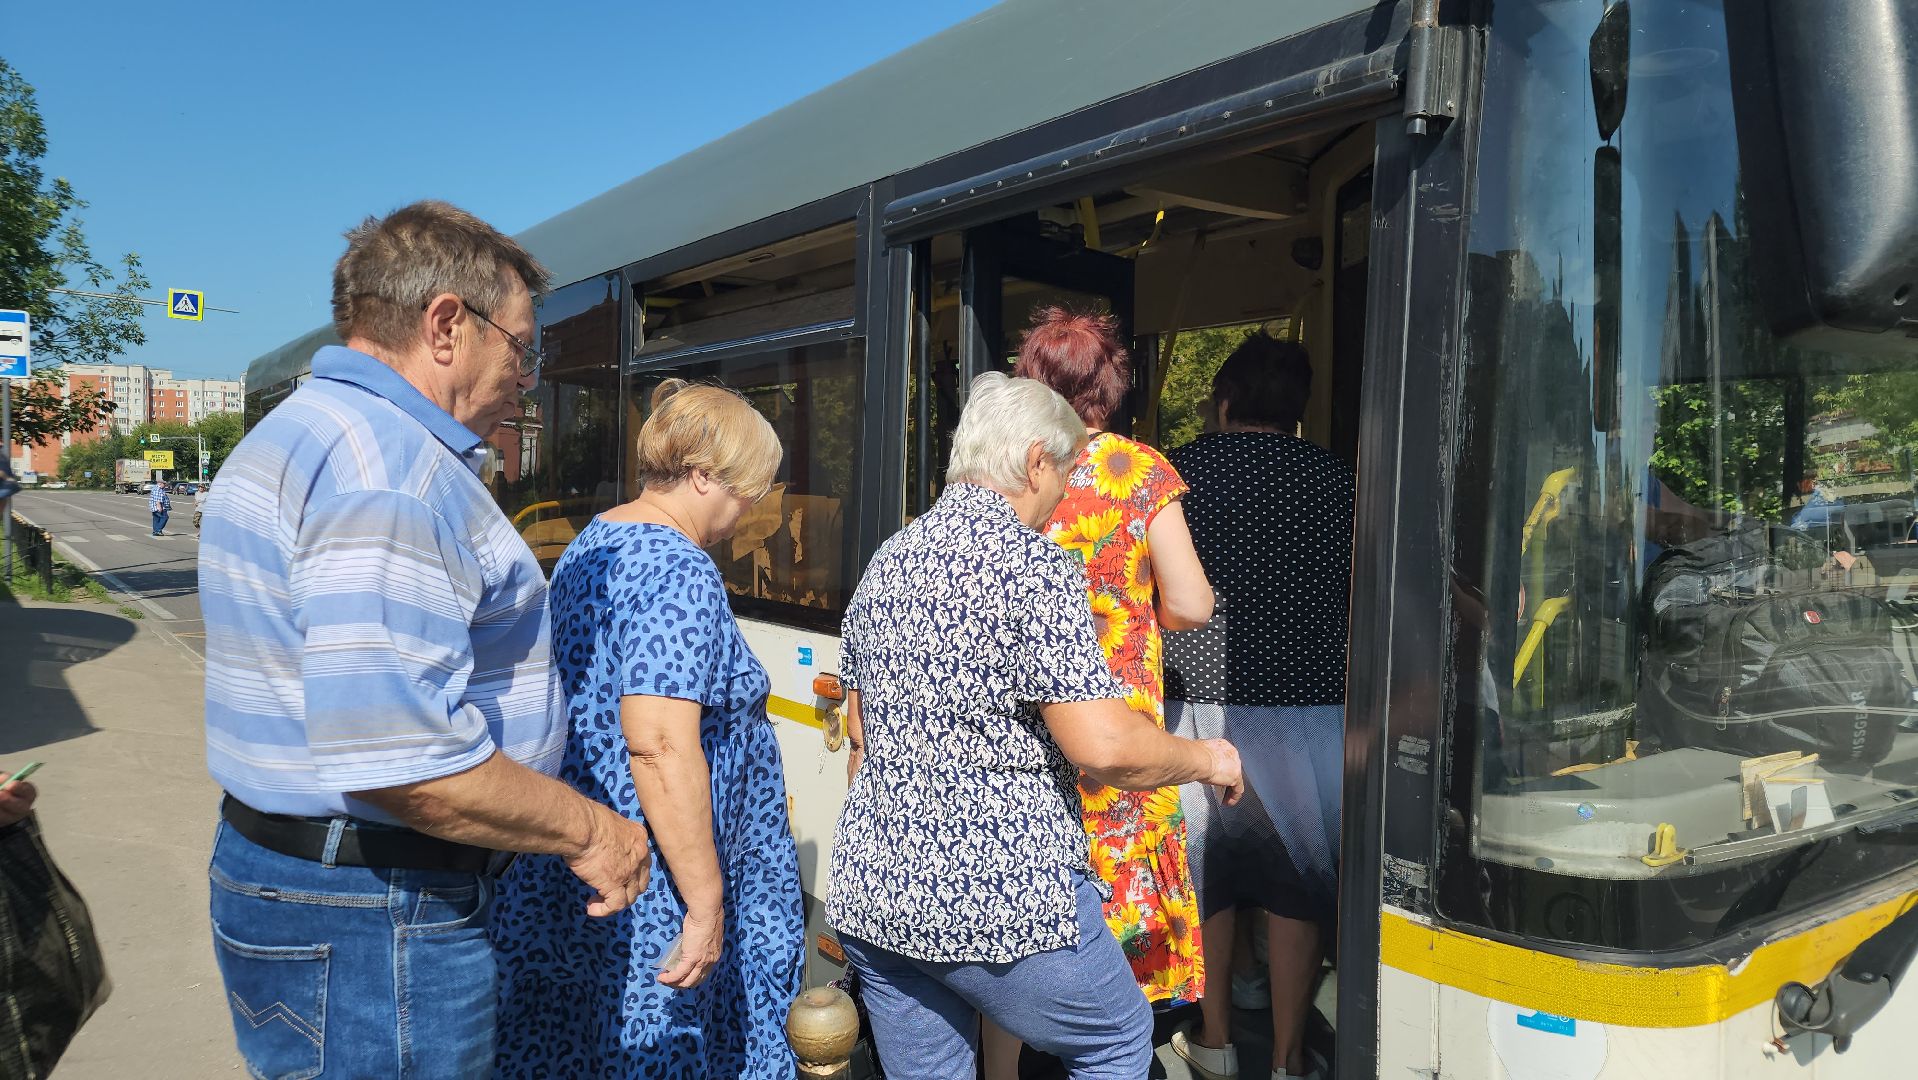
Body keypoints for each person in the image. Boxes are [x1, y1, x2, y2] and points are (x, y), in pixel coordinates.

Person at [197, 201, 653, 1079]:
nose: (528, 380)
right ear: (447, 325)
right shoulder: (392, 475)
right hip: (376, 914)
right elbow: (406, 761)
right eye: (521, 348)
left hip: (301, 883)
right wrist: (594, 831)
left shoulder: (301, 431)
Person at [827, 371, 1244, 1080]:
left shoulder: (887, 561)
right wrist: (1209, 759)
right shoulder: (1034, 567)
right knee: (1117, 1040)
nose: (1066, 493)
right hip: (1002, 898)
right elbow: (1104, 747)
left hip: (876, 893)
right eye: (1067, 471)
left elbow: (862, 740)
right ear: (1034, 462)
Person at [491, 379, 805, 1078]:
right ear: (702, 476)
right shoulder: (678, 569)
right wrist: (705, 902)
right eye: (747, 490)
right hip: (659, 878)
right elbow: (658, 743)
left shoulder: (598, 539)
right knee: (663, 1046)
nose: (749, 509)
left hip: (593, 853)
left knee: (586, 1043)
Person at [986, 307, 1213, 1073]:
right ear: (1110, 388)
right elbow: (1192, 604)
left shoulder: (1012, 472)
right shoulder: (1140, 471)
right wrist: (1134, 605)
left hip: (1025, 740)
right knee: (1115, 940)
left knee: (1016, 942)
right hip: (1119, 736)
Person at [1164, 335, 1353, 1080]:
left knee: (1207, 877)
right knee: (1297, 886)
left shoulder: (1178, 474)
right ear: (1298, 409)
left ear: (1224, 403)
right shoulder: (1338, 480)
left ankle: (1214, 1039)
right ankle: (1287, 1057)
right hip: (1309, 709)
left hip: (1199, 706)